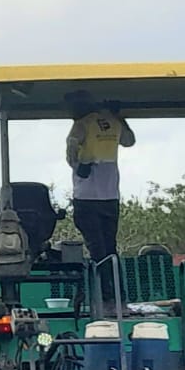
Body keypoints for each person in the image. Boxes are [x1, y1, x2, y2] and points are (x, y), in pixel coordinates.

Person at [66, 101, 136, 268]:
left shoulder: (83, 123)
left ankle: (102, 288)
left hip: (86, 195)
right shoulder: (115, 123)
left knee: (96, 249)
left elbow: (71, 147)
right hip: (110, 195)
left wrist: (77, 166)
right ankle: (115, 289)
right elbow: (129, 141)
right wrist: (119, 118)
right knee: (109, 247)